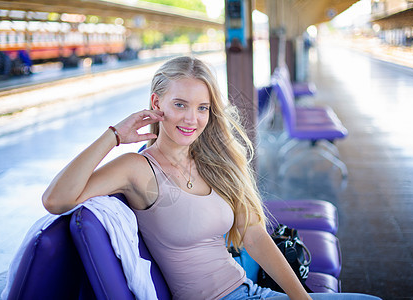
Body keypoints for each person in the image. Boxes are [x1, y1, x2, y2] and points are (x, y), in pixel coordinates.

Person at [41, 56, 311, 300]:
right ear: (157, 103)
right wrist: (114, 136)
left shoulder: (214, 161)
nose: (192, 119)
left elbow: (253, 235)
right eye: (180, 104)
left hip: (250, 290)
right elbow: (56, 199)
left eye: (202, 108)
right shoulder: (138, 168)